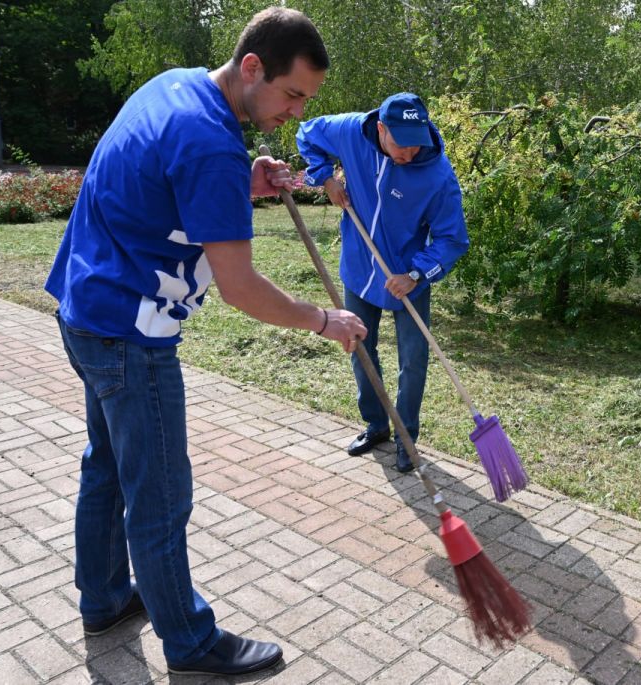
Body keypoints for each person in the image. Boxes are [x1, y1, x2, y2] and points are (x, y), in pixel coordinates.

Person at [44, 8, 367, 677]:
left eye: (306, 100)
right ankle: (190, 642)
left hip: (84, 311)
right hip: (131, 335)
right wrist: (322, 320)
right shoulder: (212, 142)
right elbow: (240, 287)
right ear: (252, 67)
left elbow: (166, 182)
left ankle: (104, 598)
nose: (296, 112)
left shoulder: (177, 87)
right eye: (292, 94)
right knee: (160, 494)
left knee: (107, 467)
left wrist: (243, 182)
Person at [296, 92, 469, 472]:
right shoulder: (350, 131)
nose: (408, 153)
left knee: (413, 360)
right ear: (381, 129)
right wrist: (326, 178)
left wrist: (416, 274)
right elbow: (307, 134)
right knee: (359, 347)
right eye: (400, 144)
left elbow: (453, 239)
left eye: (415, 144)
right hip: (360, 267)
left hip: (406, 279)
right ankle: (376, 425)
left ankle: (406, 437)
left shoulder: (438, 175)